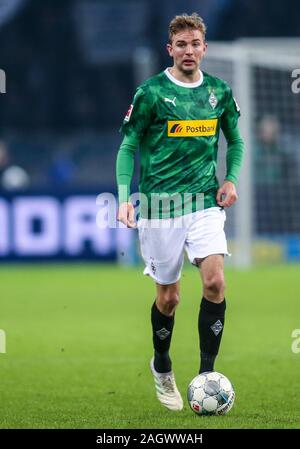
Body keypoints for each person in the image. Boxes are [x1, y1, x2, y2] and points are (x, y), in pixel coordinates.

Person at [116, 13, 244, 411]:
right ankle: (162, 364)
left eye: (195, 44)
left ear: (205, 48)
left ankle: (207, 374)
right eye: (181, 45)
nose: (189, 51)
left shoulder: (219, 92)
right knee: (169, 299)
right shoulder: (151, 92)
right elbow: (127, 147)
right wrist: (124, 196)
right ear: (170, 50)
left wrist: (231, 178)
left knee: (215, 283)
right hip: (158, 207)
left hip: (205, 202)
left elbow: (235, 141)